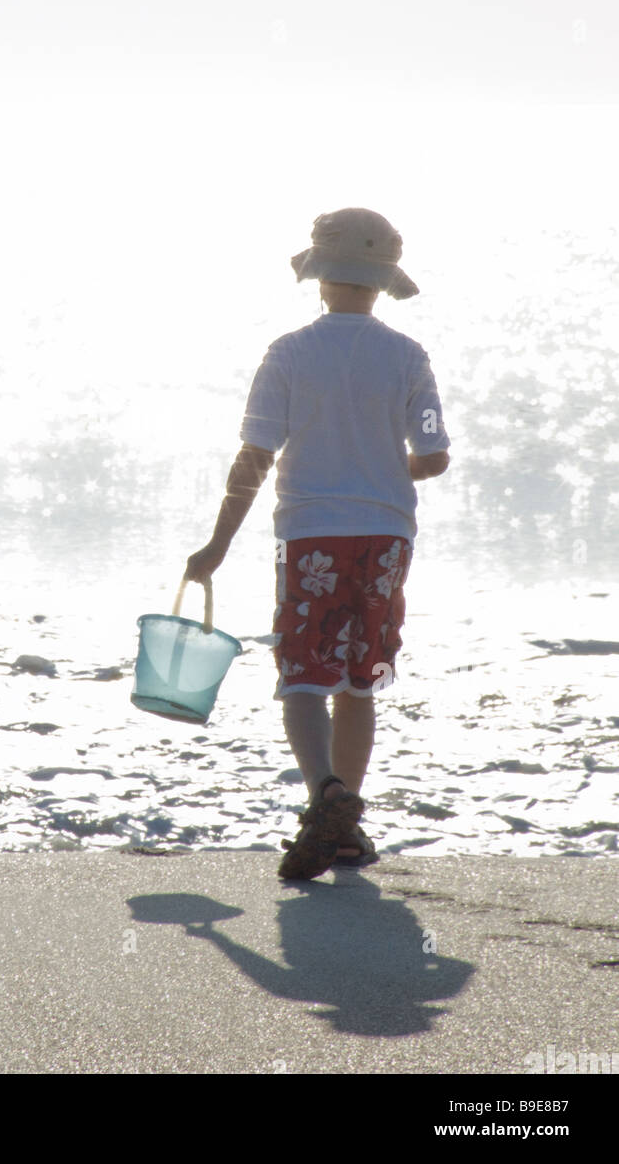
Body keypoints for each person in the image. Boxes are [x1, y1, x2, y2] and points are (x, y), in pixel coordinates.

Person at [184, 208, 451, 880]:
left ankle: (325, 798)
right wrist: (387, 466)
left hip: (312, 534)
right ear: (381, 280)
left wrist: (215, 543)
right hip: (386, 535)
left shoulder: (289, 352)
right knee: (357, 682)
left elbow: (254, 455)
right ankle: (345, 832)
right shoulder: (409, 357)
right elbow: (434, 453)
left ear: (319, 275)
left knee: (302, 675)